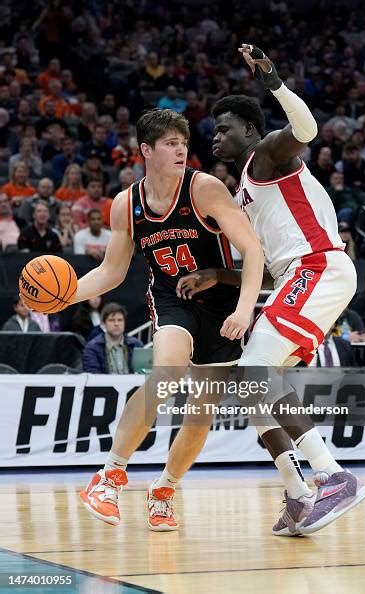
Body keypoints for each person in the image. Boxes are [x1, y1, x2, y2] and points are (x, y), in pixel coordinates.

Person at [155, 45, 365, 537]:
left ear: (250, 131)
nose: (217, 137)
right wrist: (218, 277)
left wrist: (272, 79)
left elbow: (308, 131)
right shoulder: (243, 196)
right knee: (250, 388)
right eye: (215, 130)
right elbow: (268, 271)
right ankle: (298, 493)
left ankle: (333, 476)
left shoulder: (268, 154)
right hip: (298, 275)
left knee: (253, 370)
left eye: (225, 128)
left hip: (319, 265)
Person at [73, 108, 263, 527]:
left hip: (221, 303)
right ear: (146, 150)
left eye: (184, 143)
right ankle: (108, 477)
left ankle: (164, 490)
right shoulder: (126, 204)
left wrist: (245, 308)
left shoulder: (205, 189)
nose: (182, 151)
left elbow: (252, 250)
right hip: (171, 298)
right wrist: (68, 293)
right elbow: (111, 271)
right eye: (171, 144)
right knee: (167, 372)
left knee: (200, 413)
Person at [82, 302, 143, 373]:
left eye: (120, 320)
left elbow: (143, 372)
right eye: (111, 320)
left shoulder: (136, 345)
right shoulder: (92, 348)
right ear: (103, 324)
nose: (116, 324)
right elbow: (92, 377)